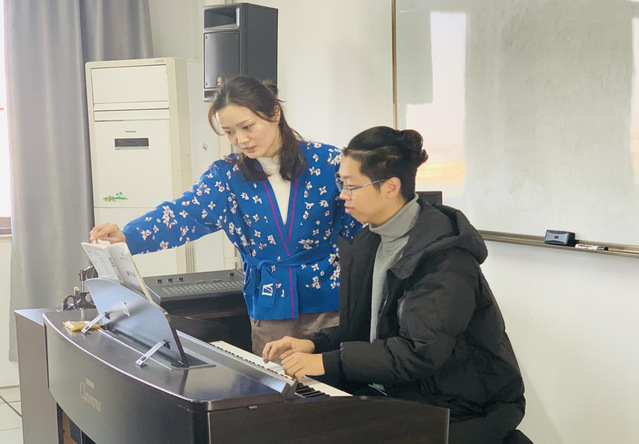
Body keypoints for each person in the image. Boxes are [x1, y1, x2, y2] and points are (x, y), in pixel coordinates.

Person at [263, 126, 530, 444]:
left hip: (458, 408)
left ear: (390, 187)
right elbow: (367, 330)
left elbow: (418, 352)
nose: (342, 195)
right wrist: (315, 344)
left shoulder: (446, 259)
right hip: (395, 393)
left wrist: (326, 362)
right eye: (341, 184)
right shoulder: (369, 241)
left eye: (351, 186)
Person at [89, 76, 361, 355]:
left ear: (275, 114)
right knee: (276, 379)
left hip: (329, 302)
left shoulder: (328, 163)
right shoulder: (227, 176)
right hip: (270, 305)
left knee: (330, 378)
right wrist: (127, 236)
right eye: (229, 132)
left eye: (247, 127)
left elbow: (363, 222)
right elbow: (183, 214)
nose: (240, 140)